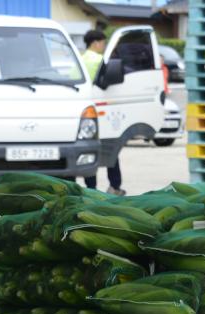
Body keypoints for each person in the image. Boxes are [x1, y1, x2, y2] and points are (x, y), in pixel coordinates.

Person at [79, 30, 125, 196]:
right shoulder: (99, 60)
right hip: (102, 111)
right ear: (96, 43)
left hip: (84, 115)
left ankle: (91, 188)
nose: (104, 46)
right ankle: (115, 186)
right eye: (103, 43)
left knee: (89, 151)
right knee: (111, 150)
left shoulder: (79, 60)